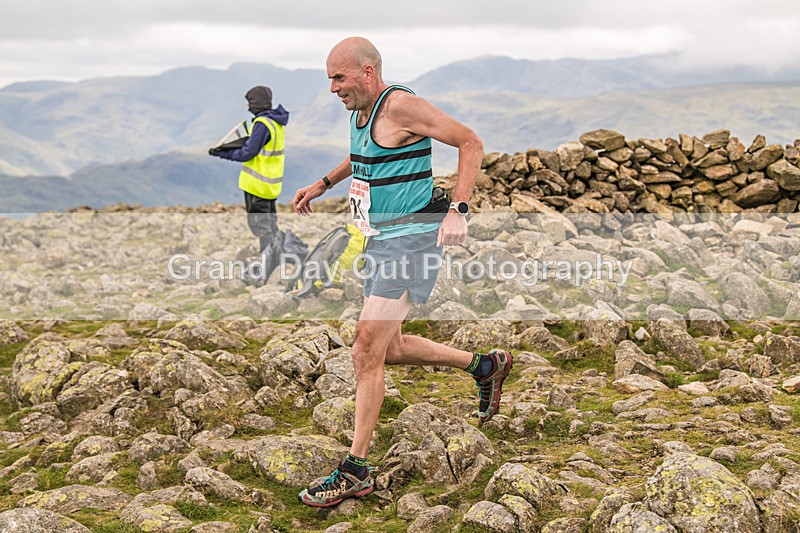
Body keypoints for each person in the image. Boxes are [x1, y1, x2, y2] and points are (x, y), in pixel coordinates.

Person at [292, 37, 513, 508]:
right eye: (329, 78)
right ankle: (485, 366)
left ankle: (356, 469)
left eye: (339, 78)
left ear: (367, 73)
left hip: (411, 237)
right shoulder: (361, 112)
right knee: (388, 348)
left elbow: (470, 142)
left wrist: (459, 208)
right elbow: (364, 155)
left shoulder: (401, 106)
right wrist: (322, 183)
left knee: (364, 349)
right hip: (380, 237)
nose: (332, 88)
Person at [209, 86, 290, 254]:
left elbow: (247, 153)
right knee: (270, 225)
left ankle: (267, 264)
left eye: (250, 102)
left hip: (257, 185)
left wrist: (223, 153)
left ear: (257, 102)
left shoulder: (262, 124)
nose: (248, 107)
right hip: (270, 185)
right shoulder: (275, 122)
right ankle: (277, 256)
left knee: (261, 227)